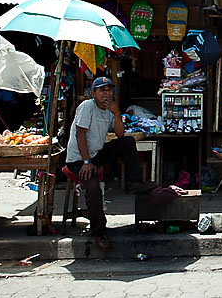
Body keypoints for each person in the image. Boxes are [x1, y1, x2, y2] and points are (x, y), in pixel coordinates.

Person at [65, 76, 155, 252]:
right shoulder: (86, 107)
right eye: (102, 90)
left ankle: (134, 183)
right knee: (93, 188)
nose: (106, 93)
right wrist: (85, 162)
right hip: (78, 159)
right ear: (93, 93)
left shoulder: (108, 110)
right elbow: (80, 135)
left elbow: (120, 134)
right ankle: (99, 232)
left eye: (109, 90)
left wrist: (116, 113)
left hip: (96, 154)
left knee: (127, 142)